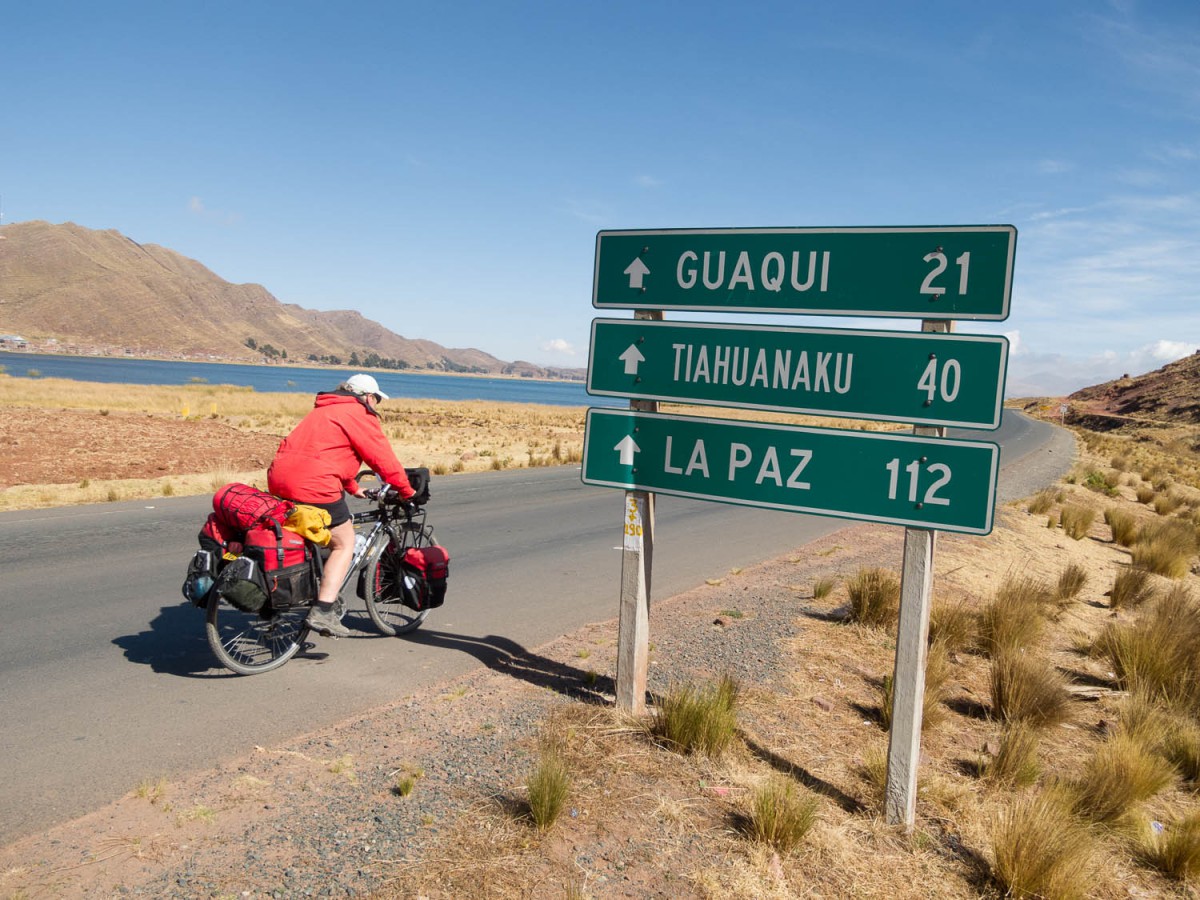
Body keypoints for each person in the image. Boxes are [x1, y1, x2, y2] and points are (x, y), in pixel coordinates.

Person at [268, 373, 415, 638]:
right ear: (368, 397)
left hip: (280, 478)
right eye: (377, 400)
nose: (376, 405)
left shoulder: (324, 410)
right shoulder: (358, 414)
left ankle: (296, 590)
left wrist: (352, 488)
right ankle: (324, 610)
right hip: (313, 484)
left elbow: (328, 453)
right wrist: (406, 491)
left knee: (308, 530)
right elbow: (383, 459)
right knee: (343, 542)